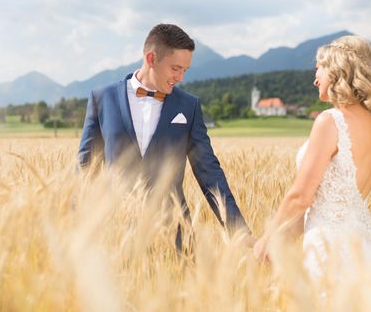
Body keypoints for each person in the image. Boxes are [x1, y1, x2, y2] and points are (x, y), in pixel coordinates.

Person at [78, 23, 250, 250]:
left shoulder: (189, 106)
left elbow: (209, 171)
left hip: (176, 236)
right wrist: (73, 227)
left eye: (185, 71)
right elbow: (85, 170)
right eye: (175, 69)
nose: (180, 78)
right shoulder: (102, 99)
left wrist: (239, 232)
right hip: (116, 235)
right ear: (151, 59)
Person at [253, 35, 371, 280]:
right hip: (367, 249)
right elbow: (330, 205)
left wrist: (266, 240)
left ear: (336, 70)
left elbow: (301, 196)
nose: (314, 79)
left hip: (330, 252)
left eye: (318, 70)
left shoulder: (331, 121)